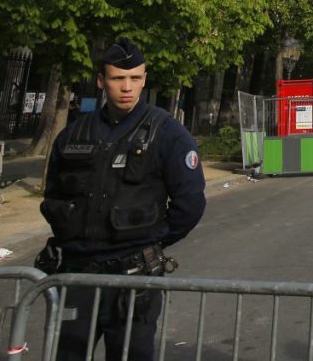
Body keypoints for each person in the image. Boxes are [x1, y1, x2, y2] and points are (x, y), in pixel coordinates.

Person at [37, 38, 207, 361]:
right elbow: (54, 195)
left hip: (134, 279)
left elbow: (190, 205)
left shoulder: (167, 133)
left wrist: (149, 244)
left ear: (144, 79)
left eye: (134, 79)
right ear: (102, 81)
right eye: (117, 78)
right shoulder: (74, 133)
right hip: (77, 274)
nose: (126, 87)